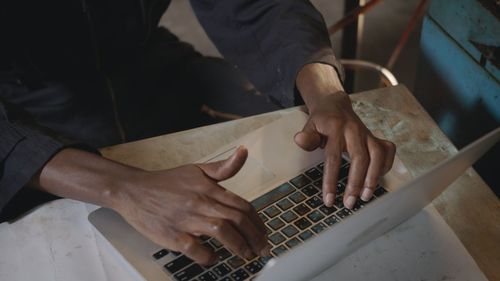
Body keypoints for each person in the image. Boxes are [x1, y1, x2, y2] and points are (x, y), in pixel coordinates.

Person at [0, 0, 395, 265]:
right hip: (27, 116)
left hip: (150, 69)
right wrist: (122, 187)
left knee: (311, 170)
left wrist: (325, 90)